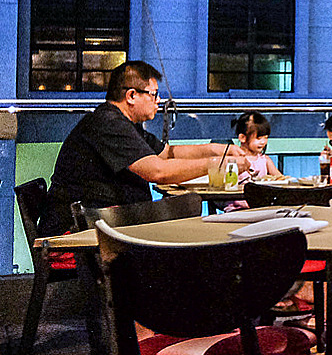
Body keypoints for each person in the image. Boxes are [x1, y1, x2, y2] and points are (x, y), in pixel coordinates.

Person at [45, 61, 249, 235]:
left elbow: (167, 153)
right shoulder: (108, 123)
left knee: (188, 207)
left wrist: (218, 150)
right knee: (188, 211)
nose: (158, 101)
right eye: (154, 94)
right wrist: (218, 164)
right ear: (131, 95)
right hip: (82, 229)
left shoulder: (124, 123)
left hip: (105, 219)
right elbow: (157, 172)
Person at [232, 111, 284, 183]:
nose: (263, 142)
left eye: (266, 138)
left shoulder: (265, 160)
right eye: (258, 138)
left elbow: (281, 178)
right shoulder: (234, 160)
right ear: (242, 138)